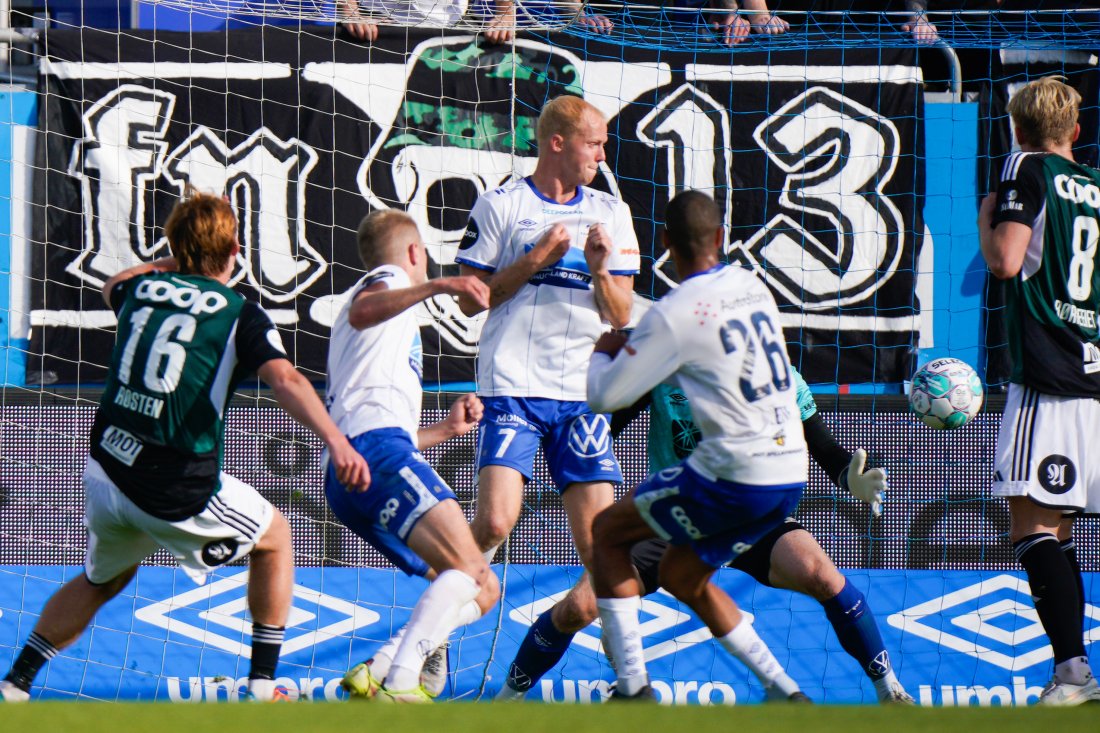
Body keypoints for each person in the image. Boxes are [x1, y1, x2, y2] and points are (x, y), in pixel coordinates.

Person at [0, 190, 371, 703]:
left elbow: (114, 284)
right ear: (237, 249)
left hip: (107, 471)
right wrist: (337, 441)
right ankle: (263, 685)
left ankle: (15, 683)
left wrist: (175, 257)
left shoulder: (143, 291)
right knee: (276, 538)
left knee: (100, 579)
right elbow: (284, 378)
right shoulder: (241, 313)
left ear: (175, 247)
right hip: (172, 485)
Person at [498, 374, 915, 704]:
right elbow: (604, 427)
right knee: (579, 607)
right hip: (675, 515)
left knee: (819, 573)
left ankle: (889, 690)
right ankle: (504, 702)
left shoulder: (783, 378)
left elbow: (825, 450)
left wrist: (851, 476)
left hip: (749, 516)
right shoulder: (666, 371)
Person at [584, 190, 809, 701]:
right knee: (682, 574)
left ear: (664, 243)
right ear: (721, 238)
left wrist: (604, 351)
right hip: (789, 471)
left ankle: (633, 688)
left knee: (606, 531)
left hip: (735, 471)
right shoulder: (752, 286)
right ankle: (786, 691)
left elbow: (605, 396)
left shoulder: (674, 312)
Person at [454, 96, 640, 591]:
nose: (602, 156)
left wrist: (600, 270)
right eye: (594, 144)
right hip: (513, 385)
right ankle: (433, 634)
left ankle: (624, 666)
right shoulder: (502, 203)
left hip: (583, 395)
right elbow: (471, 302)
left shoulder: (611, 212)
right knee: (495, 522)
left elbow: (622, 316)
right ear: (558, 143)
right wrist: (536, 259)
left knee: (600, 543)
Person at [326, 210, 501, 703]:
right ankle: (400, 683)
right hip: (375, 452)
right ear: (414, 253)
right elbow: (365, 307)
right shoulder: (390, 279)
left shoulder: (384, 331)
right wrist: (440, 284)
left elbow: (382, 421)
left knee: (481, 589)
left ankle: (380, 666)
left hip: (353, 470)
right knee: (470, 570)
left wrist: (447, 429)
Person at [978, 76, 1100, 706]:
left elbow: (1004, 261)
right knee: (1062, 530)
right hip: (1095, 371)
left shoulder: (1025, 165)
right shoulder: (1098, 188)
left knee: (1030, 525)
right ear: (1076, 131)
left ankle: (1074, 674)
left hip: (1048, 374)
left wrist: (988, 209)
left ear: (1018, 129)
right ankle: (1073, 673)